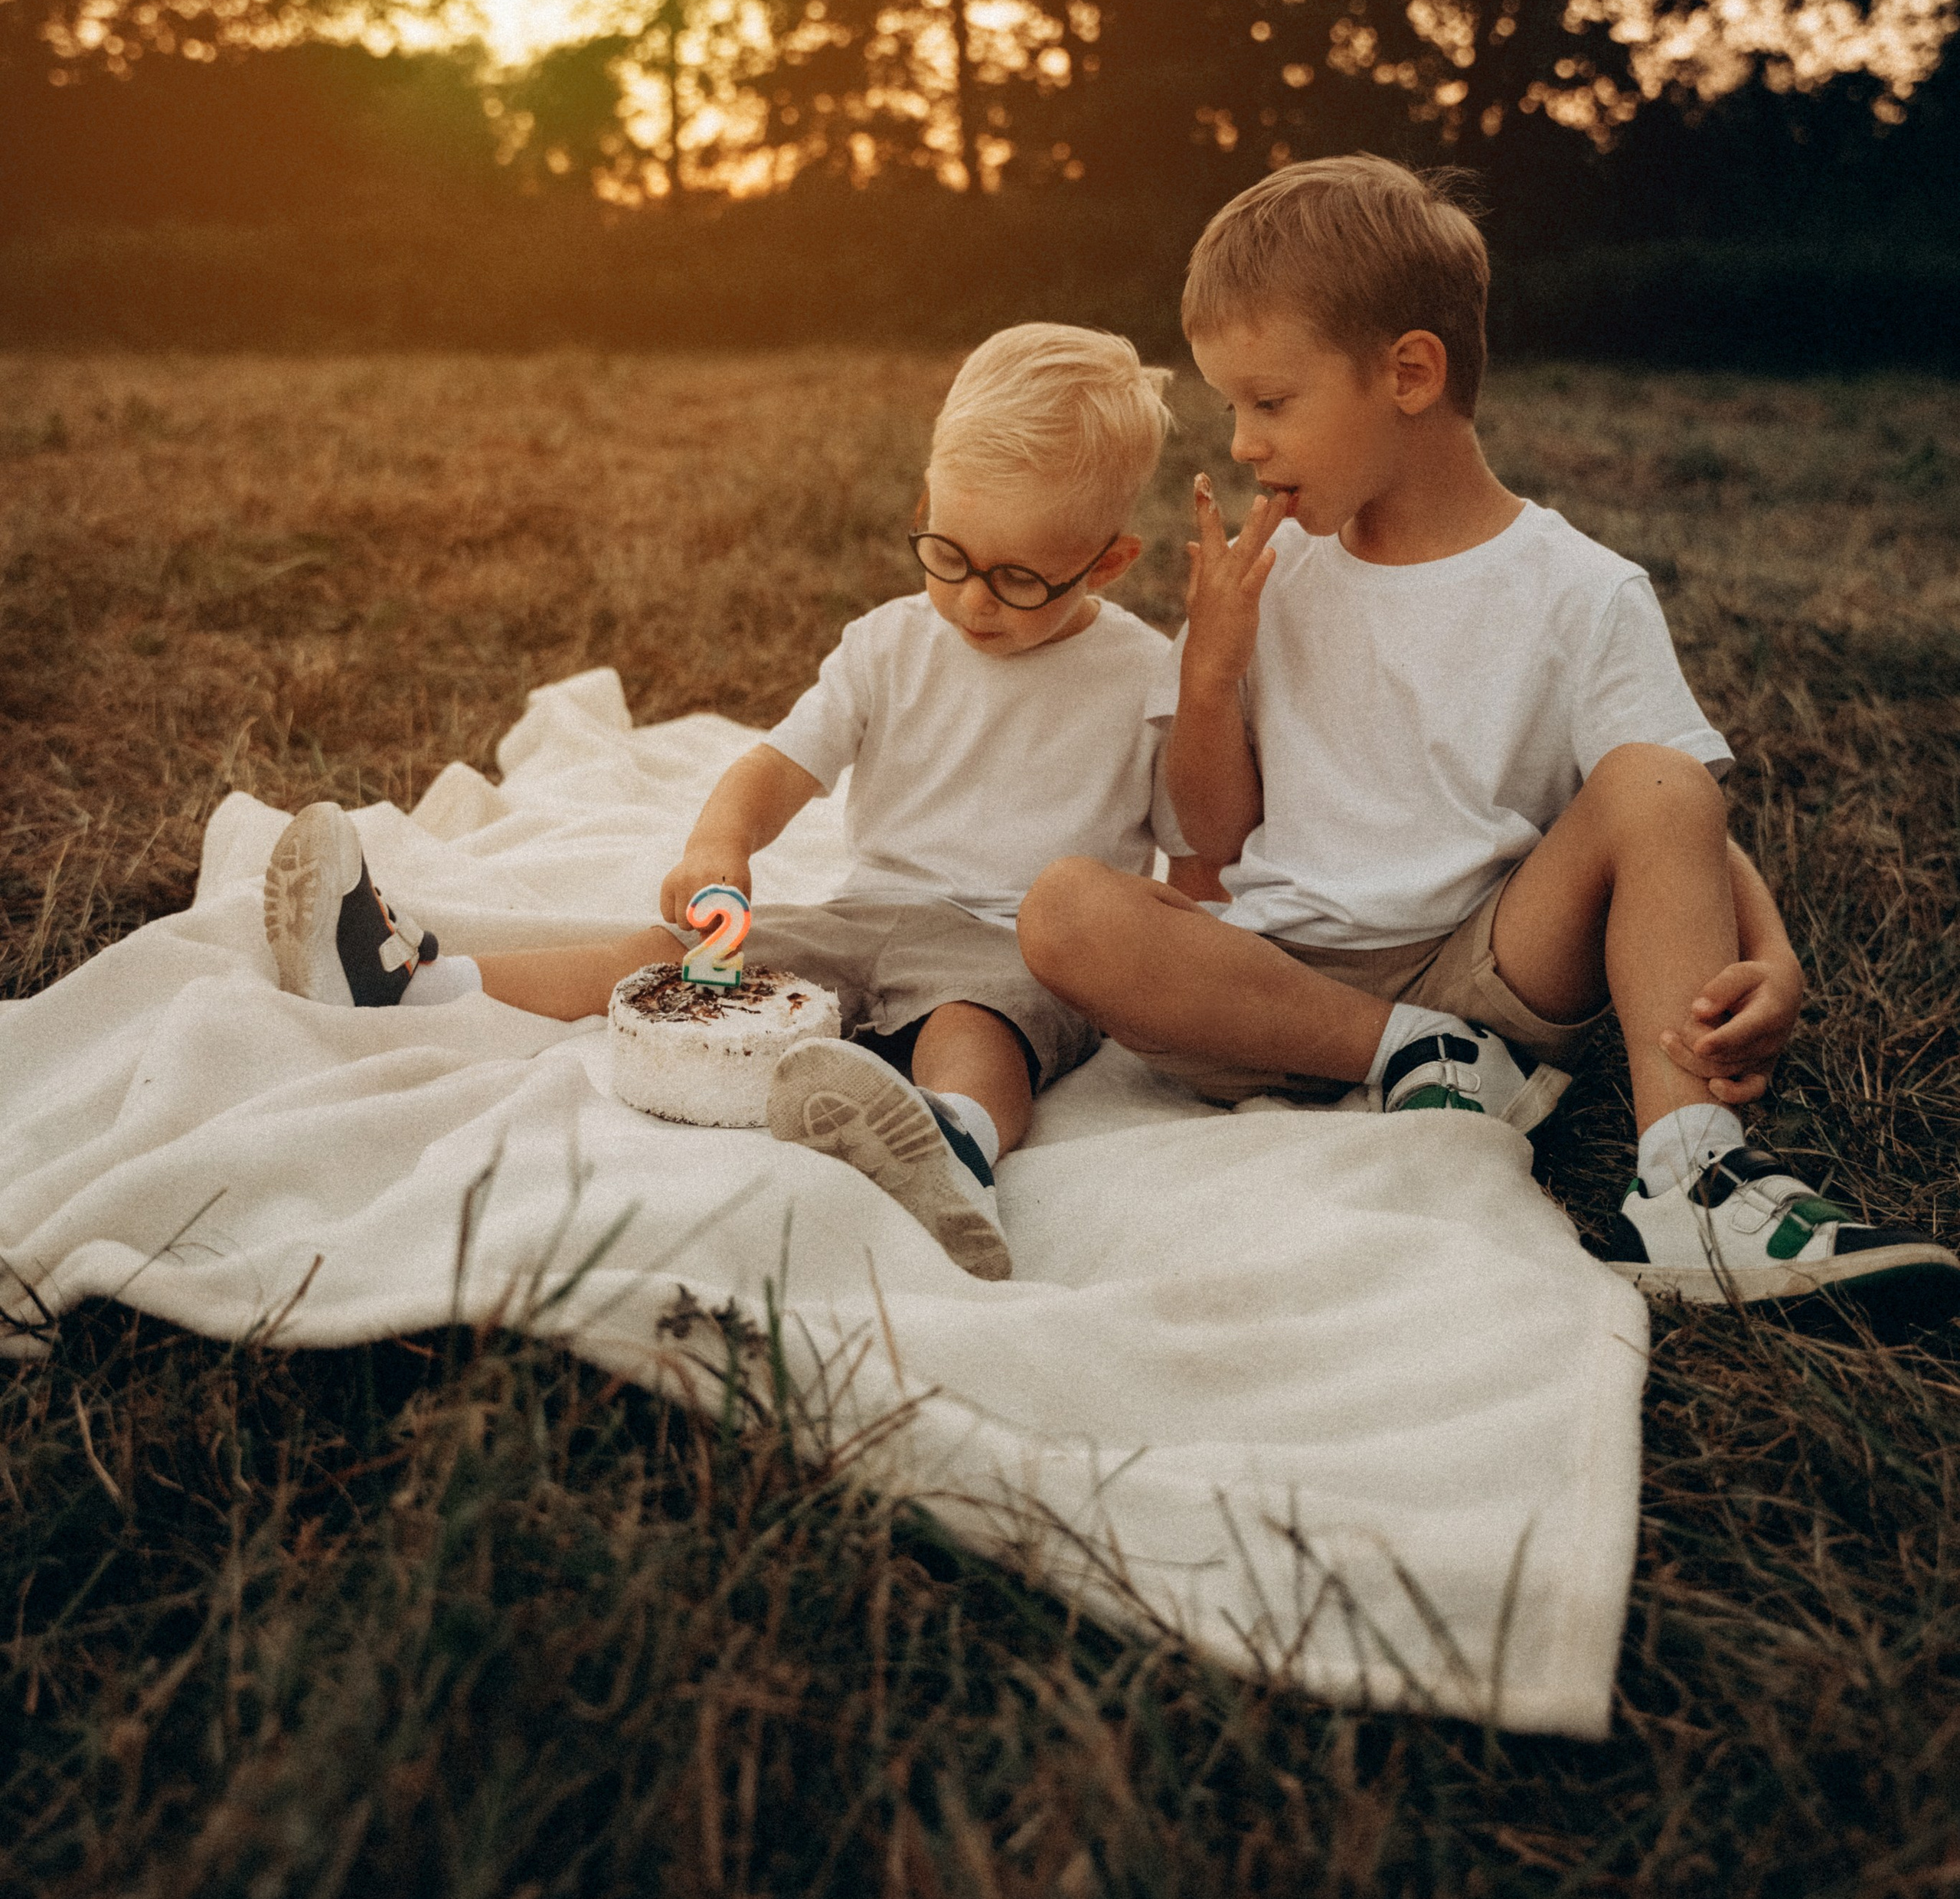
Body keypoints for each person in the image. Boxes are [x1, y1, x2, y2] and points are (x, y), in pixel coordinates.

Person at [1018, 157, 1960, 1310]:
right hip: (1281, 987)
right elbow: (1214, 834)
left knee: (1653, 774)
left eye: (1270, 401)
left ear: (1409, 372)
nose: (1245, 443)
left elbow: (1675, 805)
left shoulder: (1578, 589)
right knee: (1065, 907)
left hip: (1494, 966)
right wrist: (1209, 672)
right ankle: (1404, 1056)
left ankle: (1690, 1176)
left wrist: (1774, 956)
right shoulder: (1280, 577)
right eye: (1233, 408)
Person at [263, 324, 1189, 1284]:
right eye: (947, 553)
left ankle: (950, 1146)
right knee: (671, 960)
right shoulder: (888, 643)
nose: (973, 601)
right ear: (923, 502)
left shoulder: (1142, 674)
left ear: (1108, 563)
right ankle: (409, 979)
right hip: (860, 917)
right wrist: (720, 842)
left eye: (1019, 578)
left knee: (974, 1030)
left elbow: (1196, 845)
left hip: (1014, 947)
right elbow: (781, 765)